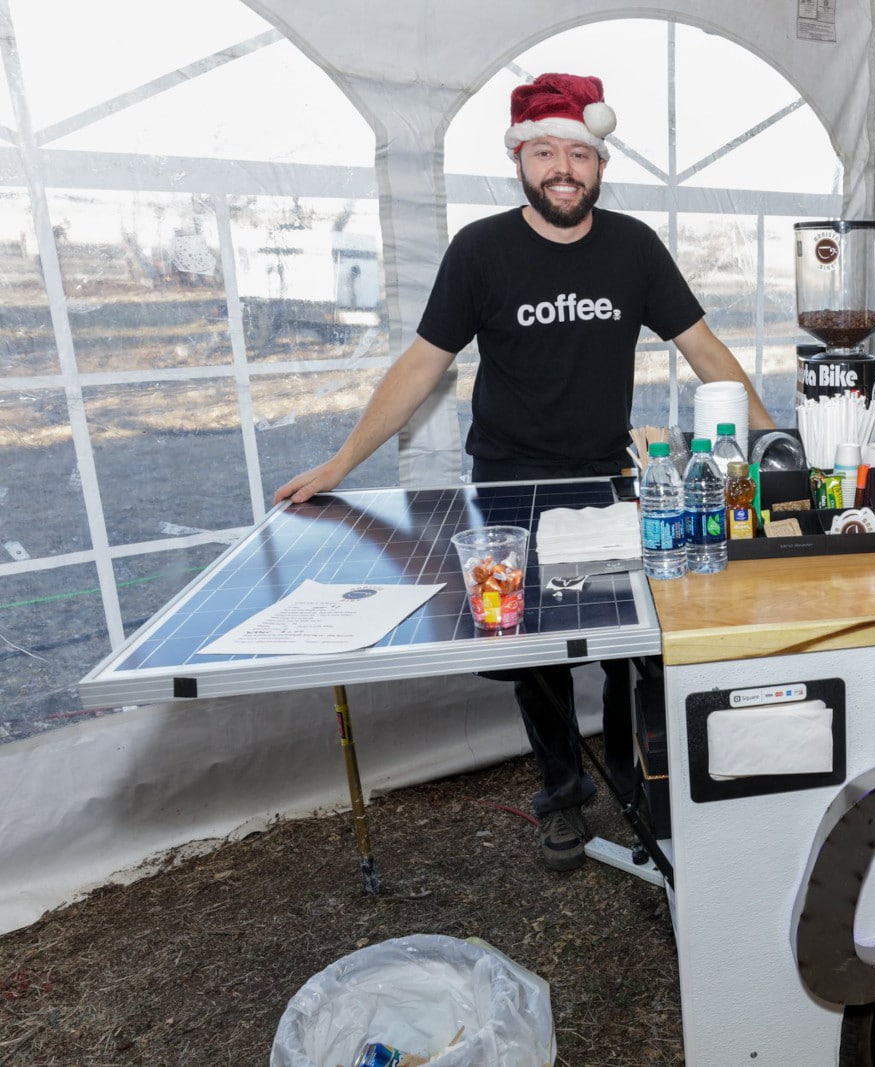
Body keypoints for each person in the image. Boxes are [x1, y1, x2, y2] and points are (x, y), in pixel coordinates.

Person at [275, 71, 775, 871]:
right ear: (520, 161)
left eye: (579, 152)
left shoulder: (634, 248)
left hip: (611, 478)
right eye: (545, 151)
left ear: (600, 165)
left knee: (634, 644)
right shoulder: (480, 251)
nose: (562, 168)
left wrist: (775, 440)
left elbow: (705, 350)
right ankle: (563, 797)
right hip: (507, 484)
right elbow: (419, 366)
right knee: (532, 653)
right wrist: (341, 463)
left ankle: (632, 781)